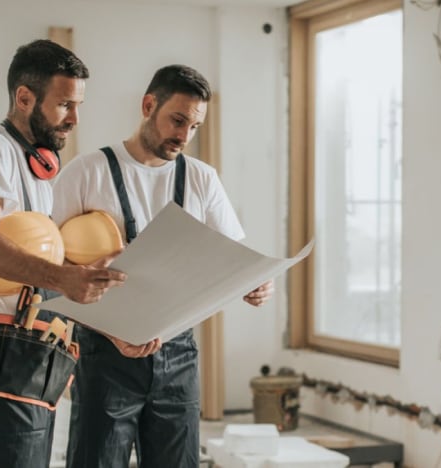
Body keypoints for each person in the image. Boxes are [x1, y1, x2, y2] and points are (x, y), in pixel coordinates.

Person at [51, 64, 275, 468]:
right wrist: (113, 331)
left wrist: (256, 283)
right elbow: (52, 270)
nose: (184, 136)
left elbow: (235, 259)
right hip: (105, 355)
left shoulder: (202, 179)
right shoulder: (86, 172)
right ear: (148, 105)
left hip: (178, 357)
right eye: (177, 120)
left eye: (194, 126)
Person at [0, 39, 127, 468]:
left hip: (32, 353)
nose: (75, 118)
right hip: (0, 354)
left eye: (78, 105)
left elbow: (34, 262)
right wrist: (62, 277)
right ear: (24, 97)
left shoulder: (38, 171)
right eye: (65, 104)